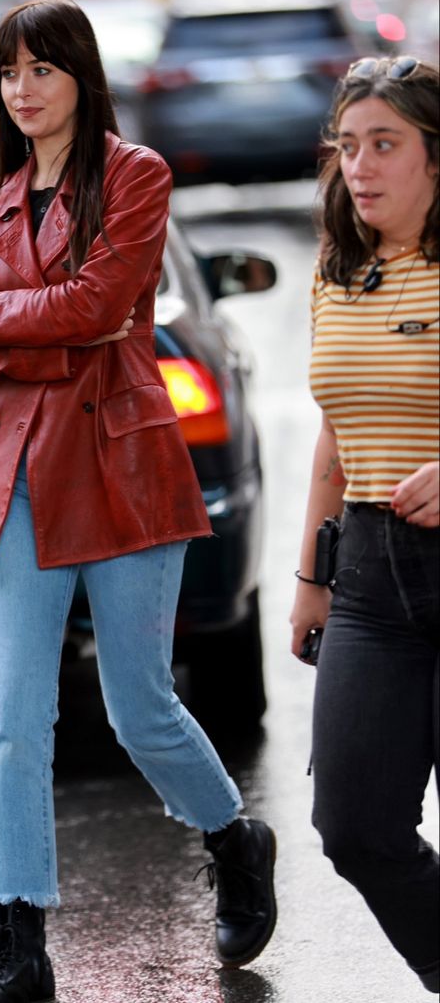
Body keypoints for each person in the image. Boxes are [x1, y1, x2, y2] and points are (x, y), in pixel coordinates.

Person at [0, 0, 277, 1003]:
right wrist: (38, 323)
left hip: (120, 464)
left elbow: (99, 306)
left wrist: (11, 320)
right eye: (9, 73)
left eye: (42, 69)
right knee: (11, 716)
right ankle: (19, 942)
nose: (23, 90)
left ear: (82, 75)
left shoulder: (136, 176)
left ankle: (230, 834)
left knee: (138, 707)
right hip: (16, 471)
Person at [289, 56, 439, 995]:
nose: (362, 166)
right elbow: (335, 435)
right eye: (349, 146)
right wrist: (311, 578)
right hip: (371, 583)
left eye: (385, 144)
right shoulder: (340, 273)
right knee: (353, 826)